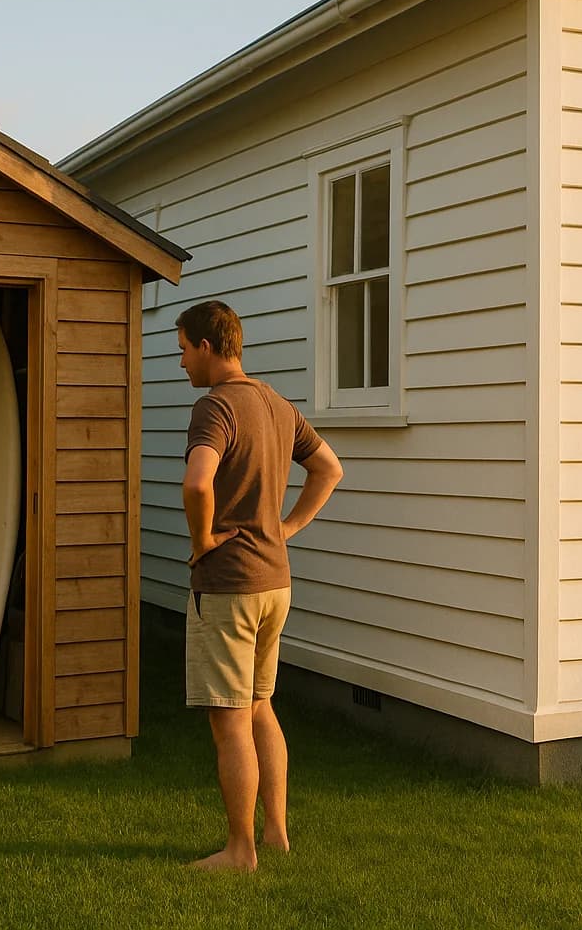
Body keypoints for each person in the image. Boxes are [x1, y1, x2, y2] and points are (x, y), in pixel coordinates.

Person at [175, 300, 343, 872]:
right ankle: (275, 834)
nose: (181, 363)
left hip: (229, 586)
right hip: (276, 583)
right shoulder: (277, 405)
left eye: (182, 349)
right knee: (261, 705)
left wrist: (201, 544)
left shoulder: (214, 407)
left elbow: (198, 485)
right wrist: (287, 527)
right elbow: (329, 468)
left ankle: (239, 850)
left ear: (205, 346)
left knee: (229, 723)